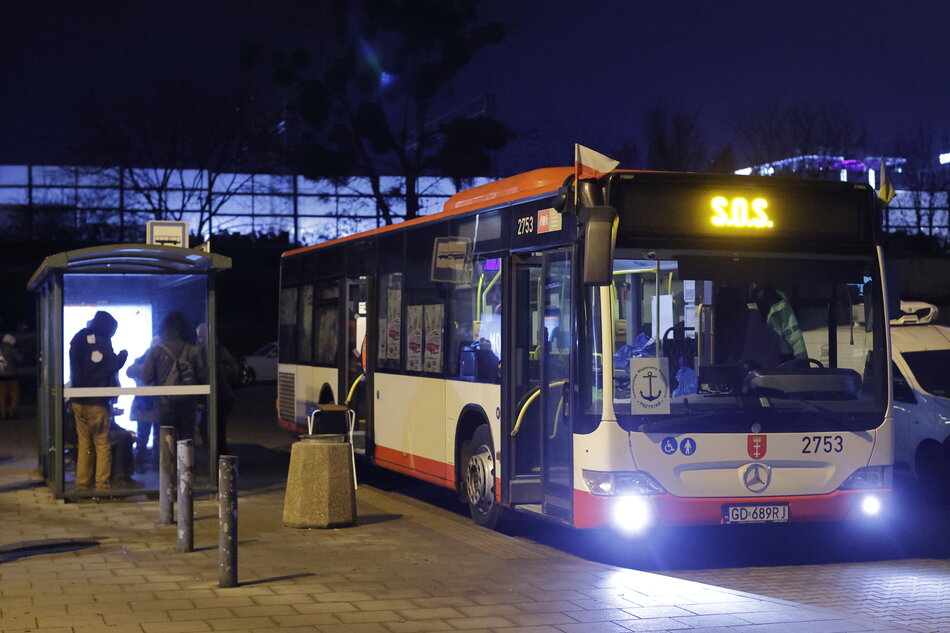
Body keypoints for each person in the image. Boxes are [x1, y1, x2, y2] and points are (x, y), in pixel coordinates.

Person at [68, 311, 128, 492]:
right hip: (97, 402)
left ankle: (82, 485)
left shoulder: (79, 337)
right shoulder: (103, 340)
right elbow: (110, 365)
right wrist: (122, 357)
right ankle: (102, 486)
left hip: (78, 400)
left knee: (84, 444)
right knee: (102, 445)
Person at [140, 312, 206, 443]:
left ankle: (167, 463)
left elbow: (146, 377)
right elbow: (202, 376)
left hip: (165, 404)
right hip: (188, 403)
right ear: (179, 330)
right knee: (187, 438)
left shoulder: (155, 351)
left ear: (162, 330)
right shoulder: (192, 350)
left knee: (166, 439)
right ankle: (186, 463)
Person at [195, 323, 239, 454]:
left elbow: (233, 369)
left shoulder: (219, 351)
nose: (202, 340)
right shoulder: (197, 352)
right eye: (199, 337)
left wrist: (215, 369)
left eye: (204, 337)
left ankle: (221, 460)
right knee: (205, 430)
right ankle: (214, 458)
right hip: (205, 399)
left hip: (221, 397)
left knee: (218, 432)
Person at [126, 339, 160, 463]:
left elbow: (130, 372)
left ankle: (145, 463)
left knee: (145, 436)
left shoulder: (141, 361)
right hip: (149, 404)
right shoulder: (146, 361)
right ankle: (150, 463)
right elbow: (130, 372)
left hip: (145, 404)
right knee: (150, 436)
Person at [0, 333, 23, 419]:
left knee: (2, 396)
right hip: (12, 376)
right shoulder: (11, 349)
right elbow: (20, 359)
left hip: (1, 377)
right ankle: (11, 412)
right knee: (14, 395)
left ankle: (2, 412)